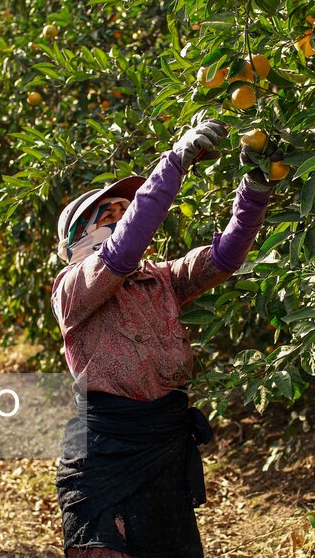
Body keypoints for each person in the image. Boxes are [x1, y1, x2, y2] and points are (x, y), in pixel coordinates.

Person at [51, 119, 276, 558]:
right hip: (105, 451)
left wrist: (254, 191)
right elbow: (126, 247)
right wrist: (174, 162)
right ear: (78, 239)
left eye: (124, 210)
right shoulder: (72, 286)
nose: (120, 220)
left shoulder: (158, 279)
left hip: (162, 443)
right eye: (108, 215)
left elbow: (223, 257)